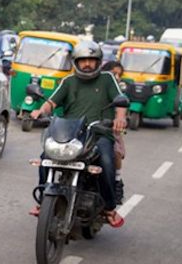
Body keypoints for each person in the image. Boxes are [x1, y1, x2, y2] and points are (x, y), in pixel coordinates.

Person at [28, 41, 128, 227]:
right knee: (45, 158)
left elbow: (120, 102)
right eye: (83, 61)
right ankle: (43, 201)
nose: (87, 64)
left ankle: (109, 207)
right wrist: (40, 112)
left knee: (106, 160)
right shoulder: (69, 81)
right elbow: (51, 102)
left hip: (99, 133)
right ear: (76, 62)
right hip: (70, 134)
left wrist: (120, 119)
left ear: (98, 62)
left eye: (92, 60)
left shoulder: (107, 79)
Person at [102, 60, 126, 204]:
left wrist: (120, 119)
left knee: (115, 153)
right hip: (84, 127)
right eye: (113, 73)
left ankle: (116, 182)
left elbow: (121, 108)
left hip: (108, 129)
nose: (116, 77)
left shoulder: (117, 92)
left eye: (119, 75)